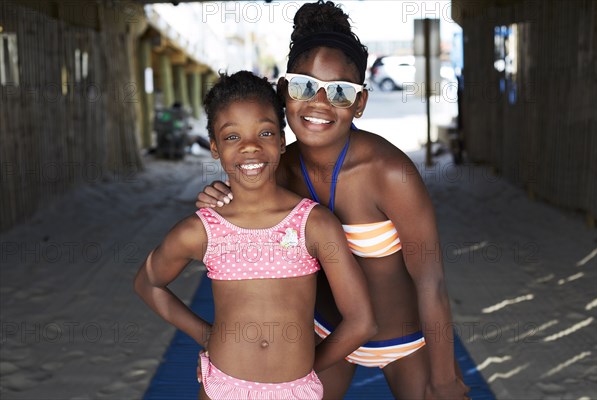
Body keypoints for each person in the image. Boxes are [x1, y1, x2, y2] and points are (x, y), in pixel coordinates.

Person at [196, 2, 470, 399]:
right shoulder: (280, 168)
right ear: (284, 91)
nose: (319, 102)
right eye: (305, 85)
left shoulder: (390, 173)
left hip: (407, 342)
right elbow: (242, 226)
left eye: (339, 91)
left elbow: (431, 280)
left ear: (359, 102)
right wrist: (217, 196)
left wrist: (445, 380)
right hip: (328, 334)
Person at [134, 70, 375, 400]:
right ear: (215, 148)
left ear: (282, 141)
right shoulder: (202, 229)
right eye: (233, 137)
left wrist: (307, 368)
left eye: (264, 132)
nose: (250, 146)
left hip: (296, 390)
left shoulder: (313, 224)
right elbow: (148, 281)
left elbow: (361, 321)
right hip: (223, 389)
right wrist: (204, 334)